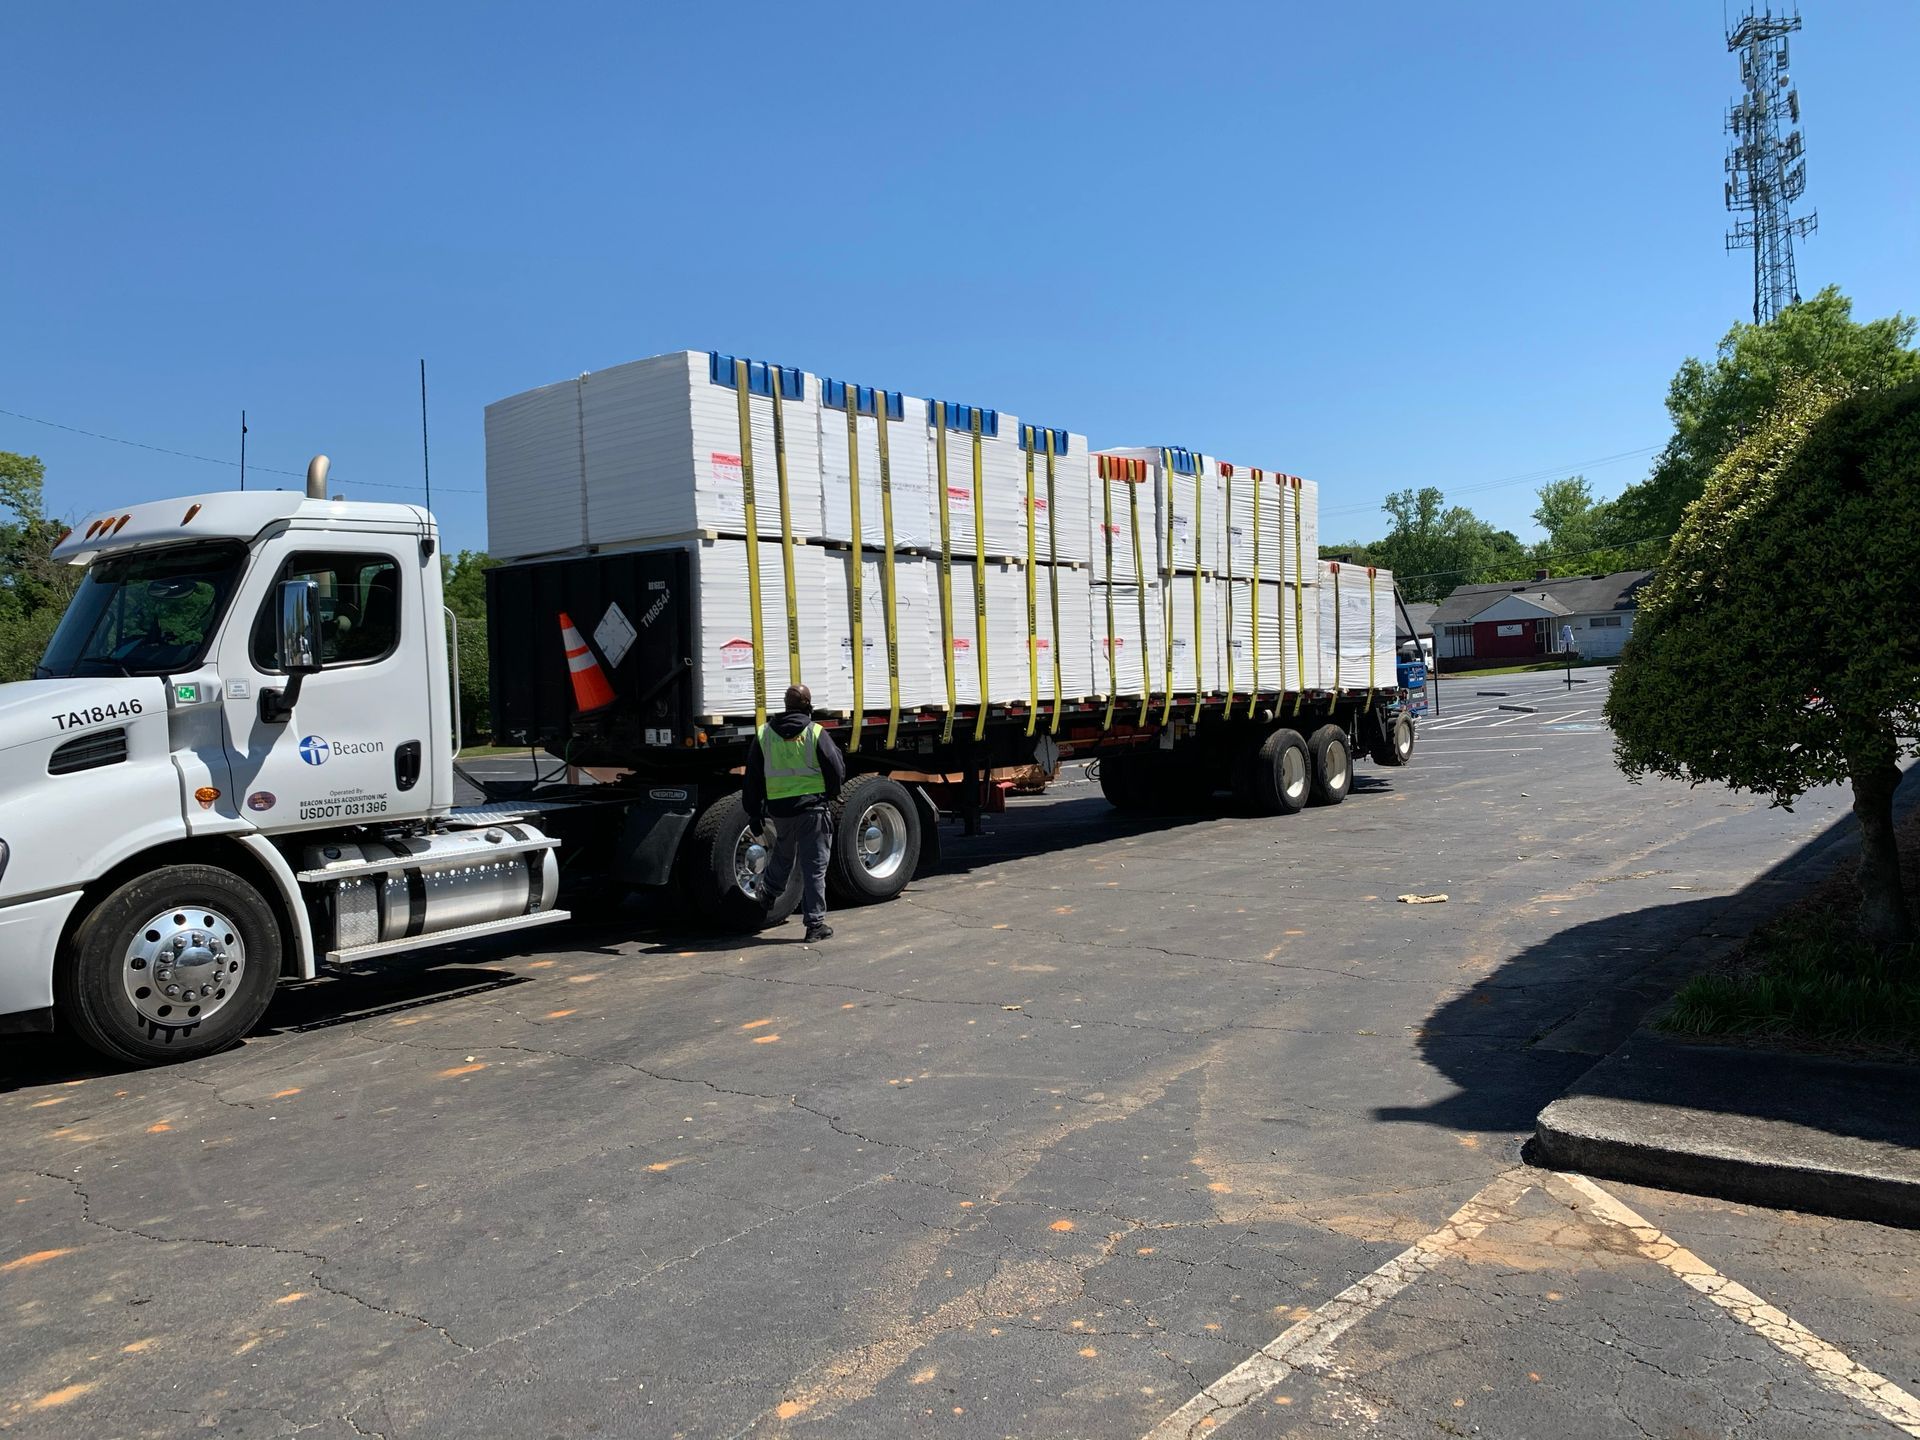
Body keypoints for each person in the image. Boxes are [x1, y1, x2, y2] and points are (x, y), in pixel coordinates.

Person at [744, 684, 845, 942]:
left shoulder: (764, 734)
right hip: (812, 808)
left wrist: (754, 813)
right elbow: (835, 767)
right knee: (814, 866)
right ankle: (814, 925)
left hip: (780, 810)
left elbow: (752, 778)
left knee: (784, 853)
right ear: (808, 706)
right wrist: (833, 792)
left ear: (786, 705)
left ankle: (769, 892)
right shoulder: (815, 732)